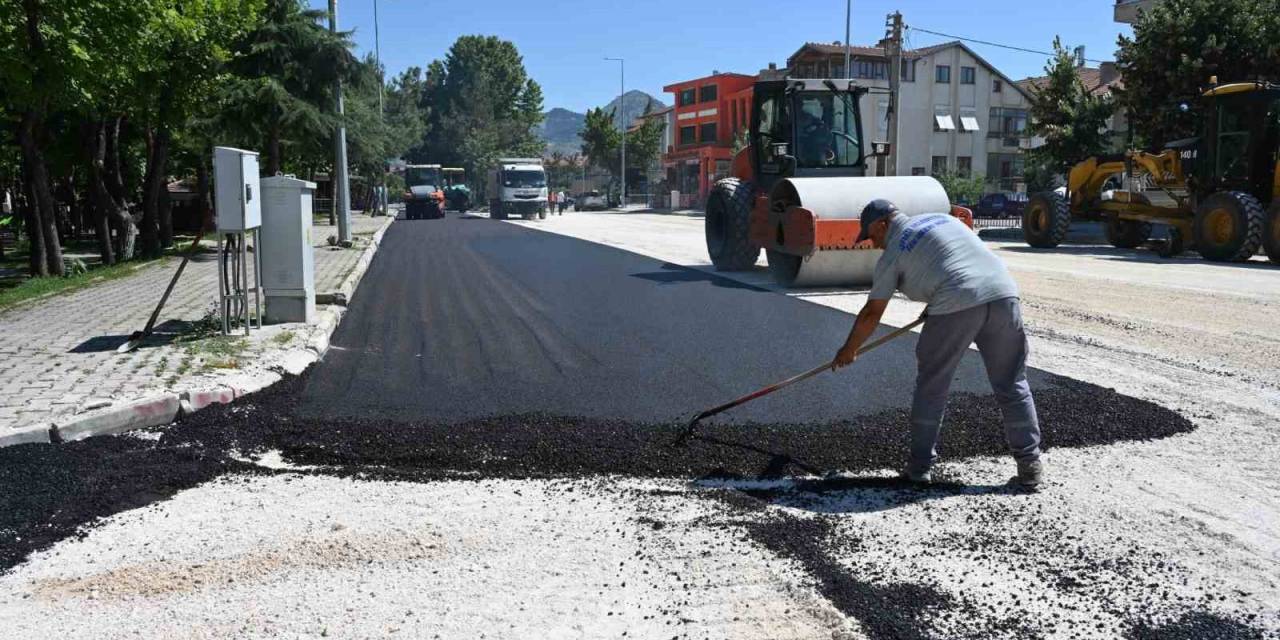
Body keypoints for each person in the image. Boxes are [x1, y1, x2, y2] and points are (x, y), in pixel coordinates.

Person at [832, 199, 1042, 488]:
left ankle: (919, 469)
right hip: (1004, 294)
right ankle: (1030, 467)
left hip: (956, 302)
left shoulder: (893, 253)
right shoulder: (941, 220)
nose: (874, 244)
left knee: (932, 385)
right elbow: (957, 260)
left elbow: (872, 313)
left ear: (883, 224)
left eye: (873, 236)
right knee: (1012, 383)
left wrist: (849, 349)